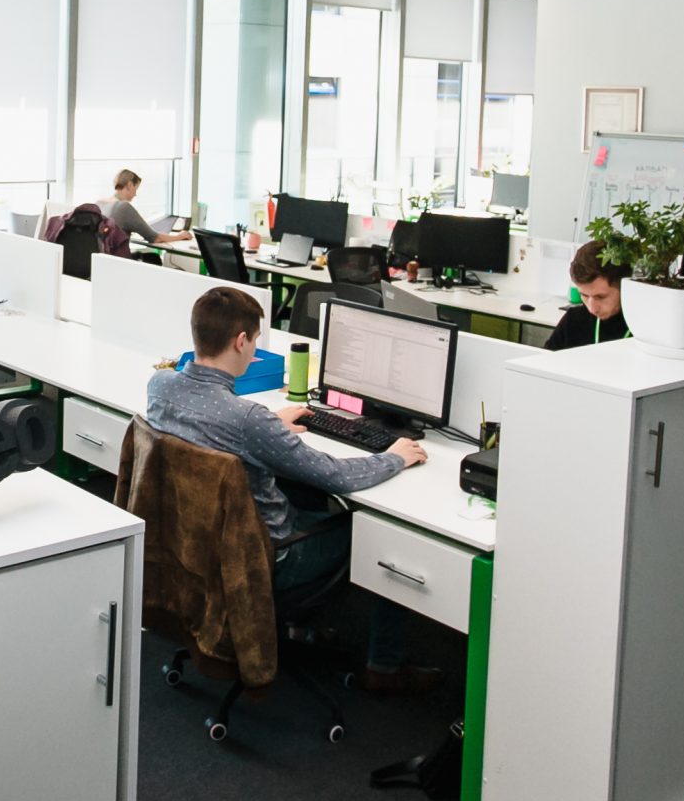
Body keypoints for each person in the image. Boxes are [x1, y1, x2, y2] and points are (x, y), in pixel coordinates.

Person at [145, 286, 439, 694]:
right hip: (266, 554)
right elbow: (335, 475)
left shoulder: (160, 385)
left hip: (195, 541)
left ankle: (301, 625)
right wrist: (395, 457)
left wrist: (271, 427)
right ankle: (383, 667)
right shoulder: (248, 420)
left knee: (306, 496)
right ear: (241, 341)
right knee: (379, 530)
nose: (254, 351)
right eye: (255, 341)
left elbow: (215, 424)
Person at [545, 241, 629, 351]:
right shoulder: (573, 320)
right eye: (584, 295)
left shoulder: (643, 329)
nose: (592, 309)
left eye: (600, 297)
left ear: (624, 288)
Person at [100, 169, 191, 246]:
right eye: (135, 189)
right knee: (153, 257)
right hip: (119, 259)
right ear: (130, 185)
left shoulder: (100, 203)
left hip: (102, 259)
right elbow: (155, 238)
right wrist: (180, 236)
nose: (135, 194)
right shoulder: (123, 207)